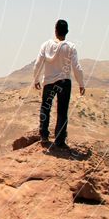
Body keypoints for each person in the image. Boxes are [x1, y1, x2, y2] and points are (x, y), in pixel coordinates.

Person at [32, 19, 85, 149]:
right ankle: (59, 140)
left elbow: (38, 63)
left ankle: (44, 136)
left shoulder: (45, 45)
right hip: (64, 82)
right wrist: (81, 83)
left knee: (45, 107)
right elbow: (76, 67)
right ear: (67, 31)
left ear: (55, 30)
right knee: (62, 111)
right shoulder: (71, 47)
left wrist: (36, 79)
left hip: (49, 82)